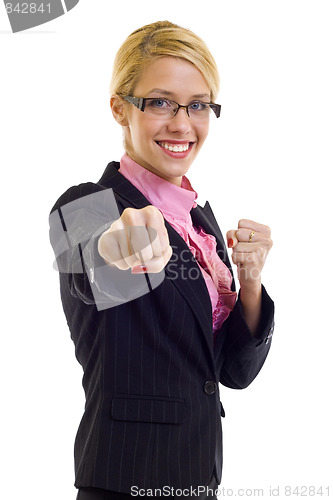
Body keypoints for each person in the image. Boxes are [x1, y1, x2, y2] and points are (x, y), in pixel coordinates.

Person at [49, 20, 274, 500]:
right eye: (159, 102)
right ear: (119, 108)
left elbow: (233, 374)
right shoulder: (88, 202)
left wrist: (250, 283)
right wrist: (117, 248)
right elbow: (90, 271)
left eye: (198, 105)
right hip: (125, 480)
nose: (181, 123)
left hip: (199, 479)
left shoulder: (202, 226)